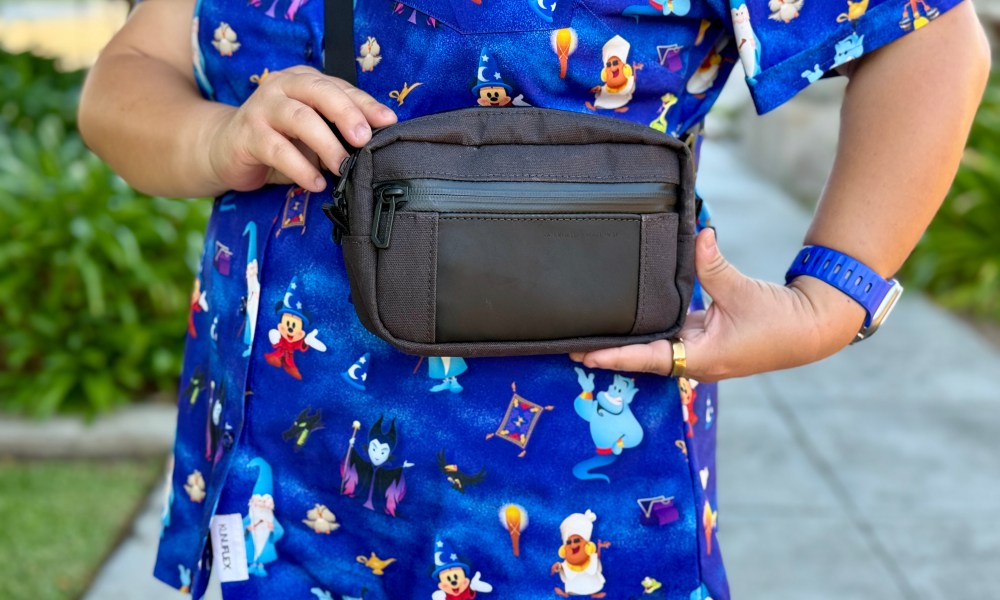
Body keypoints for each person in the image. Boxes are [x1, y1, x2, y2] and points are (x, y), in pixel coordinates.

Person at [78, 1, 989, 598]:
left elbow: (930, 37)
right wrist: (218, 135)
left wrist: (830, 303)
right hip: (270, 490)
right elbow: (128, 75)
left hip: (548, 519)